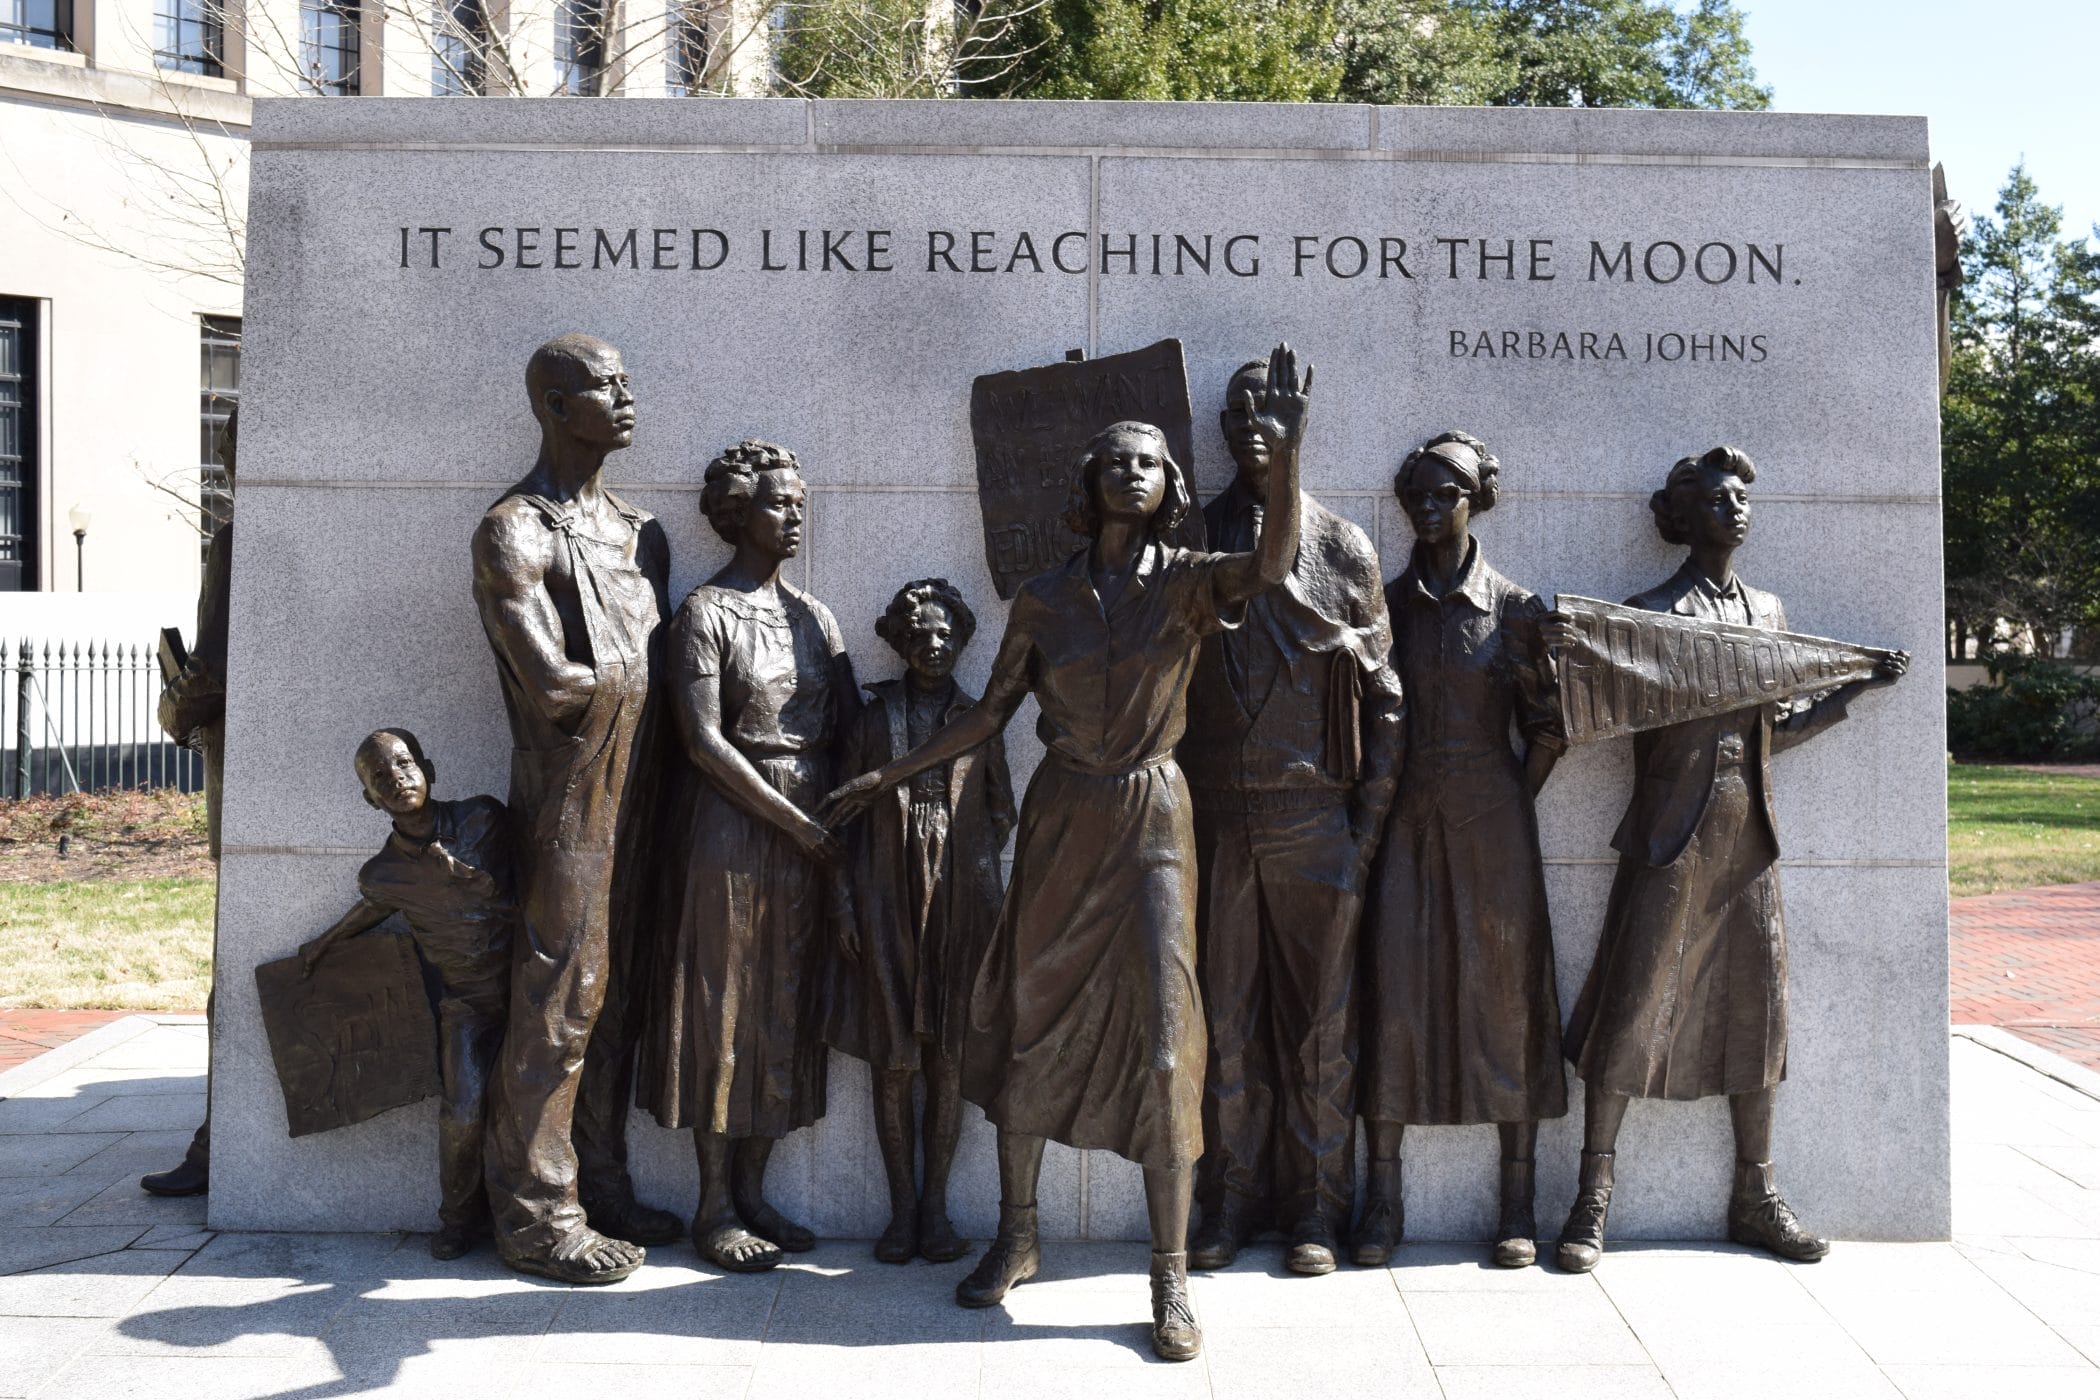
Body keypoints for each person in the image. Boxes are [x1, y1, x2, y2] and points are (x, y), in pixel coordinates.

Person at [826, 344, 1312, 1364]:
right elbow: (994, 712)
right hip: (1061, 812)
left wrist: (1285, 461)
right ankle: (1018, 1230)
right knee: (1026, 1014)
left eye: (1147, 461)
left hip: (1150, 814)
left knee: (1170, 1038)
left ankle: (1168, 1272)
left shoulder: (1188, 582)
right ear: (1087, 484)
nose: (1131, 471)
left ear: (1169, 486)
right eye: (1115, 461)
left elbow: (1270, 565)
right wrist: (891, 772)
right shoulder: (1043, 596)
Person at [1551, 445, 1908, 1273]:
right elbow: (1607, 712)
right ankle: (1592, 1196)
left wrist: (1852, 690)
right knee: (1630, 1008)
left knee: (1760, 1014)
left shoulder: (1770, 616)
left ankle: (1755, 1194)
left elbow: (1770, 735)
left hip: (1747, 844)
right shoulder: (1649, 616)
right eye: (1717, 500)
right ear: (1682, 517)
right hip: (1668, 840)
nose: (1735, 511)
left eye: (1742, 499)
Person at [1180, 358, 1401, 1276]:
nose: (1255, 427)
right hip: (1220, 820)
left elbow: (1387, 696)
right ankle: (1229, 1202)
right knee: (1225, 1020)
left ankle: (1315, 1208)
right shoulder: (1193, 538)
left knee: (1322, 1024)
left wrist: (1369, 829)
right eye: (1239, 414)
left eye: (1274, 414)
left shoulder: (1344, 547)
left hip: (1320, 819)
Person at [470, 333, 674, 1285]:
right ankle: (532, 1212)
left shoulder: (641, 534)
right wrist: (634, 679)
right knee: (558, 996)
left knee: (620, 988)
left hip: (646, 782)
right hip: (568, 792)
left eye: (628, 381)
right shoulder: (516, 529)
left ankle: (601, 1178)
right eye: (604, 385)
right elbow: (550, 681)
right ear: (554, 405)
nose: (626, 397)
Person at [638, 440, 858, 1274]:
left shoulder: (817, 616)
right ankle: (713, 1203)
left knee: (784, 1002)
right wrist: (794, 824)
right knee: (723, 1006)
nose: (794, 515)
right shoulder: (703, 614)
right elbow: (699, 741)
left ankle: (757, 1192)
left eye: (801, 502)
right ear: (737, 514)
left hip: (808, 828)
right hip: (728, 828)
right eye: (778, 503)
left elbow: (844, 723)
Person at [1354, 432, 1566, 1271]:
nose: (1430, 511)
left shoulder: (1515, 610)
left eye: (1447, 495)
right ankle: (1382, 1201)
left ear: (1477, 499)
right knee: (1394, 995)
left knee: (1505, 1001)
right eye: (1419, 497)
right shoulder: (1385, 605)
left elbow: (1549, 726)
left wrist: (1506, 800)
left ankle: (1517, 1204)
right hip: (1402, 821)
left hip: (1494, 827)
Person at [829, 579, 1016, 1265]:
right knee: (895, 1058)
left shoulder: (979, 718)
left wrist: (967, 879)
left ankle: (935, 1209)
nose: (934, 645)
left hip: (959, 906)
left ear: (963, 641)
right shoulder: (874, 721)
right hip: (885, 899)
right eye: (921, 635)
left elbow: (1000, 814)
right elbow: (840, 823)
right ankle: (900, 1211)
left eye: (945, 634)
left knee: (948, 1060)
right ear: (903, 644)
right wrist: (846, 902)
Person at [299, 729, 513, 1260]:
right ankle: (459, 1217)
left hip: (531, 988)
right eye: (379, 778)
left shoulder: (483, 819)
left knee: (540, 1101)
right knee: (462, 1112)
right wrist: (321, 945)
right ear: (370, 799)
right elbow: (371, 910)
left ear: (429, 768)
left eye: (403, 764)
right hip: (466, 1005)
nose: (395, 779)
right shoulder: (383, 872)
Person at [143, 408, 236, 1198]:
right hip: (238, 781)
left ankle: (220, 1142)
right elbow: (200, 690)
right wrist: (188, 694)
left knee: (234, 973)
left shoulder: (242, 546)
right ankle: (220, 1140)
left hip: (262, 781)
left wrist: (194, 694)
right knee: (229, 972)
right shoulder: (230, 546)